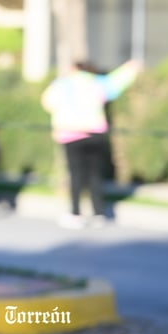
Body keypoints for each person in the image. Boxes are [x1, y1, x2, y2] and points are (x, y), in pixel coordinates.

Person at [41, 57, 142, 229]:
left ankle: (75, 213)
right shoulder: (96, 83)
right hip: (94, 132)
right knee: (95, 174)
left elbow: (47, 102)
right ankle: (98, 213)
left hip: (71, 132)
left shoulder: (63, 83)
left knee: (76, 175)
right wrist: (131, 67)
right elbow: (116, 83)